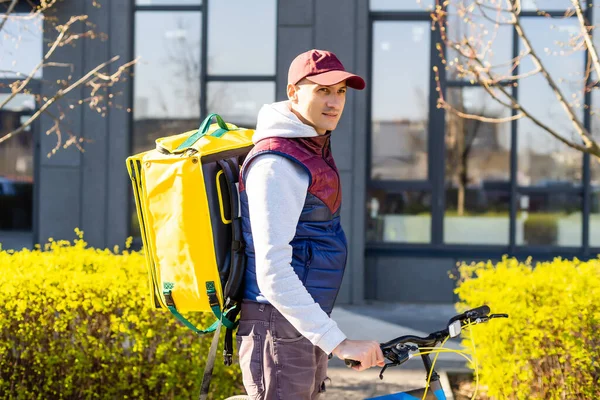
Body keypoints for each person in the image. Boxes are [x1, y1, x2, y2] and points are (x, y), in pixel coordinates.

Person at [236, 49, 384, 400]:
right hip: (277, 326)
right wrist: (339, 342)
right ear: (293, 92)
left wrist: (326, 334)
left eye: (341, 92)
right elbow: (273, 271)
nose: (334, 102)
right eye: (321, 90)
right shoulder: (278, 162)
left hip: (301, 322)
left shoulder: (309, 146)